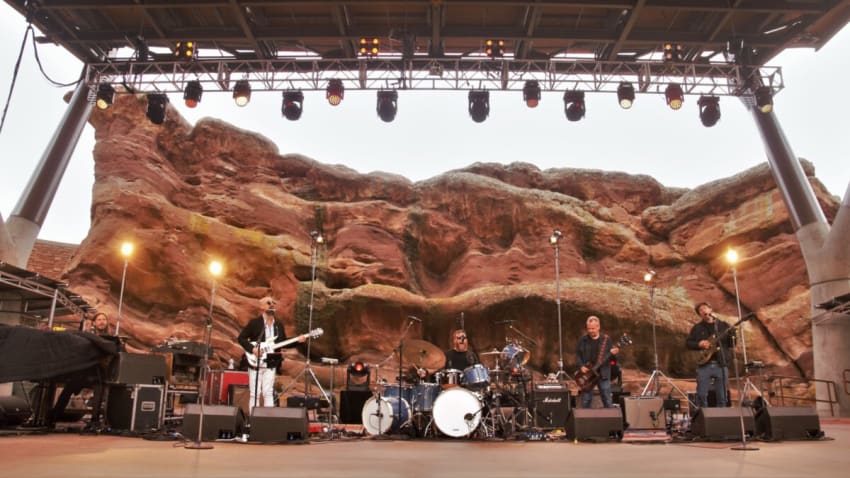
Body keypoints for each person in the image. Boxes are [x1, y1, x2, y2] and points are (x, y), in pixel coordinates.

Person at [237, 296, 305, 411]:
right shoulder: (255, 323)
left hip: (271, 361)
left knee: (268, 392)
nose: (272, 304)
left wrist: (297, 341)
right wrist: (253, 349)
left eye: (274, 303)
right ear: (261, 306)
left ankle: (268, 420)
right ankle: (254, 420)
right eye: (268, 303)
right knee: (255, 393)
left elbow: (282, 343)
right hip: (255, 361)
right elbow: (241, 338)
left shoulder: (278, 325)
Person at [686, 302, 735, 408]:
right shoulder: (697, 328)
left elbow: (732, 344)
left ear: (710, 309)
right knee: (702, 395)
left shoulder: (723, 325)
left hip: (721, 364)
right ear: (699, 314)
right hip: (704, 365)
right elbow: (688, 343)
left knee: (722, 397)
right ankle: (704, 419)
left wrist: (733, 334)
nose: (703, 311)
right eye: (700, 310)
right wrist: (699, 344)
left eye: (705, 308)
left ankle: (722, 420)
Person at [576, 316, 619, 408]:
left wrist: (614, 354)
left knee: (607, 398)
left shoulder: (606, 340)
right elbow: (578, 355)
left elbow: (612, 360)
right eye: (589, 328)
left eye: (593, 328)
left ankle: (610, 420)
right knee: (586, 400)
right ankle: (586, 421)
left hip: (603, 373)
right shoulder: (583, 340)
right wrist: (581, 366)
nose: (590, 331)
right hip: (588, 374)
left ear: (598, 327)